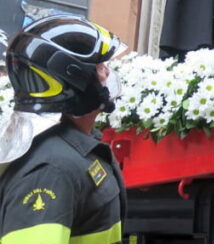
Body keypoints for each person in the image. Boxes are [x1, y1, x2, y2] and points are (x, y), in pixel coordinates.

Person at [0, 16, 127, 243]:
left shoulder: (77, 149)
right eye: (100, 66)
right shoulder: (51, 171)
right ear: (75, 79)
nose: (108, 74)